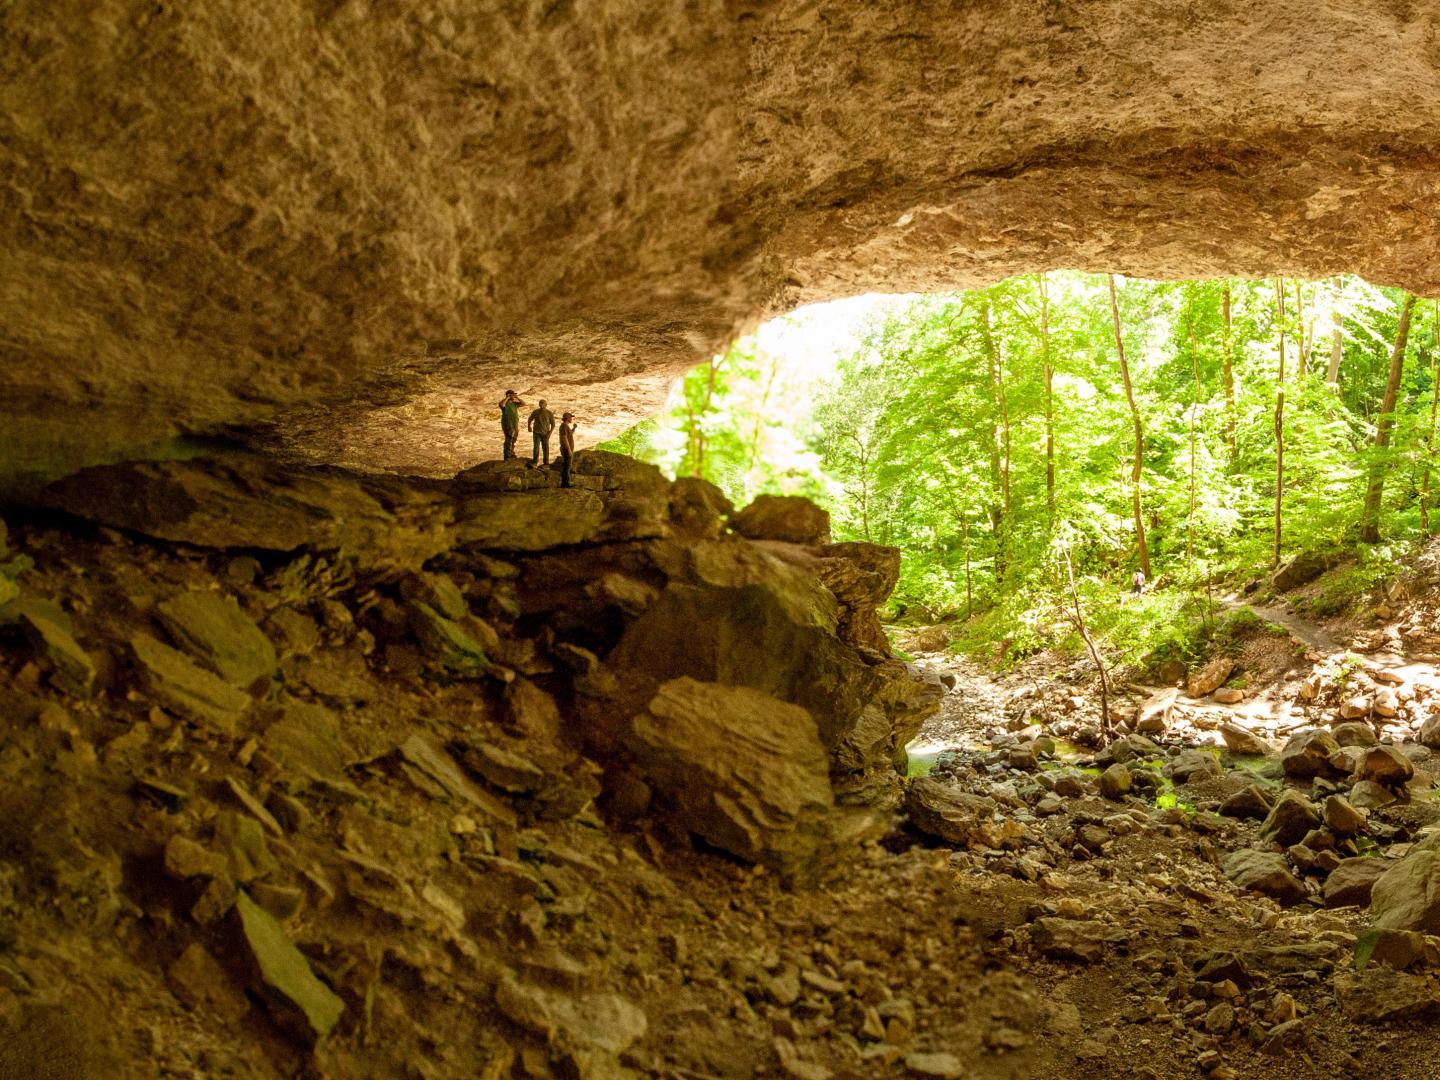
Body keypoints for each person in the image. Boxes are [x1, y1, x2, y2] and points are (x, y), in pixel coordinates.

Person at [527, 398, 556, 466]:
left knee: (546, 448)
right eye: (540, 403)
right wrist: (529, 426)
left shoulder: (549, 413)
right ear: (539, 404)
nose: (541, 405)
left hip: (545, 433)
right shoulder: (535, 412)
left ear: (546, 405)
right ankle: (535, 462)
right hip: (536, 432)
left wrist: (550, 433)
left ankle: (546, 463)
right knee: (536, 448)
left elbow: (553, 424)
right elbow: (530, 419)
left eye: (543, 403)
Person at [498, 390, 525, 460]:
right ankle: (507, 455)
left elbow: (523, 403)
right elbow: (501, 405)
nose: (514, 396)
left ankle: (512, 453)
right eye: (512, 394)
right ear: (509, 395)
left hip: (515, 423)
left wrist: (517, 397)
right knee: (509, 437)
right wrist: (507, 397)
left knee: (514, 438)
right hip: (507, 423)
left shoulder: (514, 404)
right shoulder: (505, 403)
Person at [558, 412, 577, 488]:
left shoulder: (565, 426)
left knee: (567, 466)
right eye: (570, 417)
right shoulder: (563, 426)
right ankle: (566, 483)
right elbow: (564, 438)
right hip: (566, 449)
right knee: (567, 466)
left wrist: (574, 428)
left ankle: (565, 483)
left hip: (567, 449)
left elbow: (569, 435)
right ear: (567, 418)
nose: (571, 419)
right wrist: (569, 450)